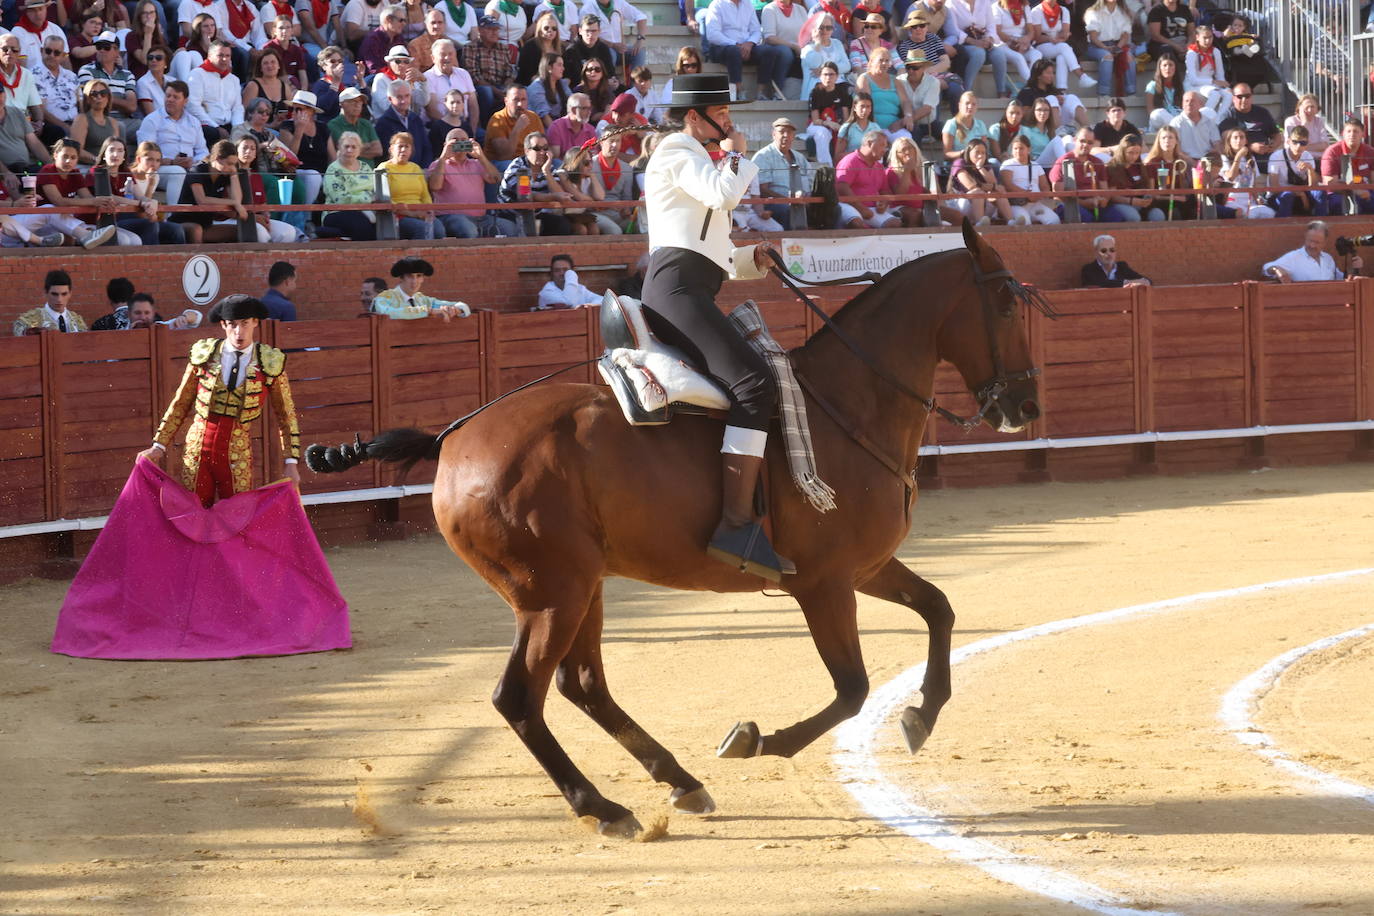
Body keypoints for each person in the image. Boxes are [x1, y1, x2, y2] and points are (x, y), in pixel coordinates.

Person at [640, 72, 784, 581]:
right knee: (754, 383)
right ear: (694, 117)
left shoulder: (694, 155)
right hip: (676, 289)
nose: (729, 121)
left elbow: (715, 252)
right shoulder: (678, 150)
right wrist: (742, 153)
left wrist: (751, 258)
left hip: (689, 284)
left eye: (728, 114)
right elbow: (723, 197)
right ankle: (734, 522)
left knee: (750, 379)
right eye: (721, 114)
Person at [137, 295, 300, 507]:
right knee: (192, 517)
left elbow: (286, 416)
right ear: (223, 324)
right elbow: (180, 403)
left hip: (237, 455)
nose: (239, 332)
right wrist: (158, 445)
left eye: (245, 323)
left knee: (236, 519)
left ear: (255, 323)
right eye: (233, 324)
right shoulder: (204, 355)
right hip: (197, 452)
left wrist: (291, 462)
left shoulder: (269, 362)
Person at [428, 126, 517, 237]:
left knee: (510, 228)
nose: (460, 143)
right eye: (455, 141)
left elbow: (495, 179)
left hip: (481, 218)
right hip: (452, 216)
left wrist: (481, 157)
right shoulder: (438, 165)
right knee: (469, 230)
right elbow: (435, 186)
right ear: (446, 145)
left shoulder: (476, 163)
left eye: (464, 140)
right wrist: (443, 157)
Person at [137, 80, 207, 208]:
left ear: (185, 101)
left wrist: (193, 162)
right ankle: (174, 215)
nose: (170, 100)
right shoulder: (152, 120)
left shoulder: (194, 122)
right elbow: (145, 155)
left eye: (175, 97)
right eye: (168, 96)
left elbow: (203, 151)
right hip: (158, 170)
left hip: (189, 168)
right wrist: (171, 162)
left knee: (203, 172)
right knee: (177, 171)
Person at [703, 0, 789, 101]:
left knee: (769, 51)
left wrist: (750, 44)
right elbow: (713, 34)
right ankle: (739, 91)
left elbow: (756, 30)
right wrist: (736, 44)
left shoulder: (747, 4)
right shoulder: (717, 4)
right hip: (723, 46)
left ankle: (760, 93)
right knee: (734, 51)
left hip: (746, 46)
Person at [498, 131, 574, 235]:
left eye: (545, 148)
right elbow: (526, 196)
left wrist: (546, 171)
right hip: (510, 214)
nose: (542, 152)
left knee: (562, 225)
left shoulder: (548, 167)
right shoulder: (517, 167)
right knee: (525, 229)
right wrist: (554, 196)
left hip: (535, 214)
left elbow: (560, 194)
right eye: (537, 149)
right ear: (527, 151)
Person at [378, 131, 445, 239]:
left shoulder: (415, 168)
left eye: (407, 147)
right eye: (400, 146)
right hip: (398, 216)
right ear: (391, 149)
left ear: (411, 150)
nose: (403, 150)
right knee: (421, 229)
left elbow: (425, 195)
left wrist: (427, 211)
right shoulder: (384, 168)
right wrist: (412, 213)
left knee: (439, 229)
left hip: (420, 213)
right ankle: (417, 256)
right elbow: (385, 199)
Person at [948, 0, 1018, 98]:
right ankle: (966, 91)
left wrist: (989, 39)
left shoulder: (984, 2)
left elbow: (991, 26)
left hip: (982, 41)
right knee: (979, 54)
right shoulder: (951, 3)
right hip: (962, 43)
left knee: (999, 54)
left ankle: (1001, 92)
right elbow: (952, 30)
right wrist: (973, 41)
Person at [751, 117, 811, 230]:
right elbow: (762, 190)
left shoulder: (800, 158)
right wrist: (787, 200)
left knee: (829, 209)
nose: (785, 135)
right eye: (781, 132)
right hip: (773, 202)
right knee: (788, 209)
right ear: (774, 134)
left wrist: (806, 197)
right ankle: (791, 244)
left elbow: (810, 181)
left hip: (799, 200)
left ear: (793, 136)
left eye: (789, 132)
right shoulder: (763, 156)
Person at [371, 256, 472, 319]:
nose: (415, 281)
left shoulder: (423, 300)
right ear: (402, 278)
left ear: (423, 278)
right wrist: (427, 311)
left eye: (419, 276)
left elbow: (463, 306)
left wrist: (456, 310)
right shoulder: (385, 297)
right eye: (410, 276)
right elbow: (385, 314)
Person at [836, 128, 901, 227]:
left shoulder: (879, 166)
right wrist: (860, 208)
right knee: (856, 223)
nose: (885, 150)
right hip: (848, 205)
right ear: (870, 143)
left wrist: (884, 202)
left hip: (870, 208)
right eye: (882, 145)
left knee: (895, 224)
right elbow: (842, 187)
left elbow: (885, 190)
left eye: (886, 147)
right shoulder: (850, 160)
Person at [1029, 0, 1095, 92]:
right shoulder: (1036, 11)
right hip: (1041, 46)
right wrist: (1051, 39)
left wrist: (1060, 39)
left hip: (1058, 44)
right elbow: (1037, 37)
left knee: (1062, 56)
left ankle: (1061, 90)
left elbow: (1065, 33)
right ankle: (1080, 75)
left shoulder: (1064, 11)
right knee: (1064, 47)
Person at [1262, 221, 1360, 283]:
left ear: (1324, 242)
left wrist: (1355, 267)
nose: (1312, 246)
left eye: (1317, 242)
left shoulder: (1328, 258)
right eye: (1310, 241)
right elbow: (1266, 268)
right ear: (1305, 237)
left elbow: (1340, 279)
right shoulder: (1294, 257)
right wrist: (1277, 270)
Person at [461, 15, 516, 124]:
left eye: (496, 29)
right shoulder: (470, 47)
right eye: (490, 29)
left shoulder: (503, 48)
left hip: (501, 85)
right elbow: (474, 75)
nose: (495, 32)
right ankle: (486, 124)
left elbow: (509, 71)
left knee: (520, 90)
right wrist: (497, 92)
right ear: (480, 31)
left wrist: (507, 88)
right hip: (480, 87)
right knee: (487, 92)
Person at [1050, 127, 1113, 222]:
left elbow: (1105, 190)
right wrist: (1084, 203)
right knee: (1087, 218)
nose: (1085, 145)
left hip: (1094, 203)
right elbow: (1059, 194)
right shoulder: (1063, 161)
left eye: (1089, 142)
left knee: (1117, 217)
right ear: (1075, 140)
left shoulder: (1097, 162)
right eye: (1082, 141)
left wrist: (1102, 200)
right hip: (1068, 204)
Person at [189, 41, 244, 146]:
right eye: (220, 55)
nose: (225, 59)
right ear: (210, 56)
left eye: (228, 56)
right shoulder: (197, 74)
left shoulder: (233, 79)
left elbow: (237, 108)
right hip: (206, 126)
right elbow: (193, 106)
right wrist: (216, 127)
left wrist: (238, 128)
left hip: (228, 125)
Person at [854, 45, 913, 143]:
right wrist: (878, 129)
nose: (884, 63)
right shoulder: (864, 78)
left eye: (887, 60)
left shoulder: (895, 80)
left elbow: (905, 101)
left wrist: (908, 115)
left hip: (894, 127)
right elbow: (865, 106)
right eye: (881, 60)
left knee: (906, 141)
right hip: (871, 126)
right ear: (872, 61)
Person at [1218, 82, 1278, 175]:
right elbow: (1226, 144)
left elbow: (1276, 135)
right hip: (1241, 160)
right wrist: (1251, 147)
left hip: (1266, 157)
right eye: (1240, 97)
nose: (1244, 99)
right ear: (1233, 98)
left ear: (1252, 97)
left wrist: (1272, 146)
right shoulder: (1227, 117)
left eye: (1247, 96)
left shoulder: (1263, 112)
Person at [1318, 118, 1374, 217]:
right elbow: (1330, 183)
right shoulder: (1332, 152)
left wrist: (1365, 192)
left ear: (1363, 134)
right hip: (1338, 193)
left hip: (1365, 190)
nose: (1352, 134)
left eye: (1356, 131)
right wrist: (1354, 190)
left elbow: (1372, 181)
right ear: (1343, 133)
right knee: (1338, 203)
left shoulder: (1370, 152)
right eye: (1348, 131)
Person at [949, 137, 1009, 226]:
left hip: (982, 203)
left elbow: (994, 183)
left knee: (998, 191)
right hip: (962, 203)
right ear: (968, 152)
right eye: (977, 152)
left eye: (983, 153)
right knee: (978, 192)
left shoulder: (985, 165)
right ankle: (979, 223)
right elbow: (971, 186)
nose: (980, 156)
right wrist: (992, 187)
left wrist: (980, 168)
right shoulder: (959, 162)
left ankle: (1011, 221)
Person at [1267, 125, 1325, 219]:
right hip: (1280, 196)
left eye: (1303, 143)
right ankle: (1282, 228)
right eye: (1295, 142)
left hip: (1302, 194)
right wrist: (1298, 193)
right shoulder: (1276, 156)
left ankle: (1320, 225)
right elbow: (1274, 187)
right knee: (1287, 195)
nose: (1298, 146)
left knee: (1320, 193)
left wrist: (1310, 169)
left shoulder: (1308, 156)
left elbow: (1314, 186)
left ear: (1307, 143)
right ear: (1289, 141)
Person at [1000, 132, 1057, 224]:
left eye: (1021, 148)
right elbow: (1008, 185)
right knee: (1025, 222)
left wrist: (1039, 196)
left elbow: (1045, 187)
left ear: (1029, 149)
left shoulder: (1037, 166)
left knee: (1054, 220)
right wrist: (1027, 195)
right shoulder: (1007, 164)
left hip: (1035, 204)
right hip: (1016, 204)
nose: (1018, 151)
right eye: (1015, 149)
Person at [1105, 132, 1164, 222]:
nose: (1134, 156)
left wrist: (1147, 198)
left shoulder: (1141, 167)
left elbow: (1148, 189)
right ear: (1122, 151)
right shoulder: (1112, 167)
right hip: (1121, 203)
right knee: (1133, 217)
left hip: (1140, 201)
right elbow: (1112, 196)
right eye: (1130, 153)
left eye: (1137, 153)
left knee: (1158, 216)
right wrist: (1131, 201)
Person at [13, 270, 90, 336]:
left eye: (64, 294)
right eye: (54, 294)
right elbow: (18, 332)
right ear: (45, 293)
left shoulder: (77, 321)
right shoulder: (28, 321)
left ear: (70, 294)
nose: (59, 299)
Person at [1219, 127, 1274, 219]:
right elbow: (1230, 177)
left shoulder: (1251, 158)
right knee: (1247, 216)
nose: (1238, 140)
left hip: (1249, 200)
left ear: (1246, 141)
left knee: (1270, 213)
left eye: (1241, 137)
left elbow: (1254, 184)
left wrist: (1257, 198)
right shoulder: (1224, 158)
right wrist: (1239, 156)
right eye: (1235, 137)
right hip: (1232, 200)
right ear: (1229, 141)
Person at [374, 79, 432, 166]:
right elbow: (384, 154)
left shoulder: (416, 119)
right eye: (399, 97)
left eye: (407, 96)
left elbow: (426, 148)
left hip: (418, 173)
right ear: (390, 99)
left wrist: (424, 168)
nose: (404, 101)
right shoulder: (383, 123)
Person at [806, 59, 850, 165]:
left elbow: (846, 118)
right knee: (823, 133)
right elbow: (815, 120)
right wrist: (829, 123)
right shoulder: (816, 92)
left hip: (838, 125)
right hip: (818, 125)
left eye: (831, 74)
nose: (828, 78)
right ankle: (827, 168)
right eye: (825, 74)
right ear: (820, 76)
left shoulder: (842, 92)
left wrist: (842, 127)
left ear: (837, 76)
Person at [484, 83, 542, 164]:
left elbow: (543, 145)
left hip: (528, 160)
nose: (520, 104)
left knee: (556, 163)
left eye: (523, 99)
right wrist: (517, 129)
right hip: (503, 163)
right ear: (506, 101)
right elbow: (504, 155)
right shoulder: (497, 119)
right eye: (516, 100)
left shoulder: (533, 117)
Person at [1183, 23, 1230, 120]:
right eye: (1205, 38)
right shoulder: (1192, 53)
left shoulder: (1215, 52)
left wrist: (1224, 86)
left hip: (1210, 85)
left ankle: (1218, 120)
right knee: (1215, 94)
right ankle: (1202, 118)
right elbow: (1193, 80)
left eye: (1210, 37)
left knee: (1229, 95)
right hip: (1194, 86)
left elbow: (1220, 75)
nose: (1208, 41)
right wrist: (1213, 82)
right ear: (1197, 37)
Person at [800, 13, 850, 102]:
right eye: (821, 27)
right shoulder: (808, 48)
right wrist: (818, 43)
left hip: (839, 85)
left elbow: (847, 66)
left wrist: (823, 70)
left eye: (829, 28)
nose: (825, 31)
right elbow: (815, 63)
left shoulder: (837, 43)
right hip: (817, 88)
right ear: (814, 29)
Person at [327, 86, 383, 162]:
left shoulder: (366, 124)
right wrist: (367, 146)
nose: (357, 105)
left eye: (360, 102)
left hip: (368, 171)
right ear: (342, 104)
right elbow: (342, 151)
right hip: (345, 171)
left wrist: (354, 151)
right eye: (353, 101)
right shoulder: (333, 125)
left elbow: (378, 150)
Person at [1080, 233, 1149, 287]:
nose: (1109, 254)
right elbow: (1103, 283)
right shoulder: (1088, 269)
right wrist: (1127, 283)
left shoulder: (1122, 266)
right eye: (1104, 251)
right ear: (1096, 253)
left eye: (1112, 250)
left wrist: (1144, 281)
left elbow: (1146, 280)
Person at [536, 253, 601, 308]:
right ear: (552, 273)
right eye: (557, 270)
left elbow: (602, 299)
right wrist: (571, 275)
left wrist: (590, 305)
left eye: (565, 270)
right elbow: (569, 303)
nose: (562, 273)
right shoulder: (546, 292)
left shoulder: (580, 289)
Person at [1170, 91, 1220, 162]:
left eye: (1192, 101)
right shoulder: (1176, 123)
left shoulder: (1209, 122)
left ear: (1201, 104)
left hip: (1207, 161)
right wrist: (1192, 163)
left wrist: (1209, 159)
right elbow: (1177, 150)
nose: (1189, 104)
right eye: (1186, 101)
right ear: (1182, 104)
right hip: (1184, 161)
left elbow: (1217, 144)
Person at [545, 91, 595, 159]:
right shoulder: (556, 128)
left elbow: (593, 155)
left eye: (590, 108)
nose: (589, 112)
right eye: (585, 108)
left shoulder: (591, 130)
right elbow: (555, 158)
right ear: (573, 110)